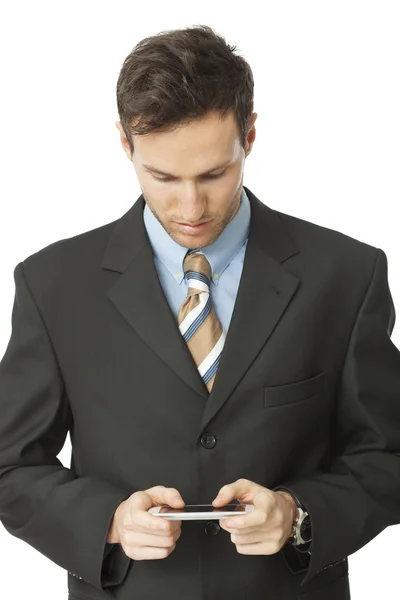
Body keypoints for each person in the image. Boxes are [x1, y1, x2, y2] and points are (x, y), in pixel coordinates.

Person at [0, 24, 399, 600]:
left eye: (214, 173)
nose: (191, 207)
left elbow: (387, 457)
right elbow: (11, 467)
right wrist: (108, 520)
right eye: (162, 177)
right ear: (124, 144)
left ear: (251, 136)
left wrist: (298, 514)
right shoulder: (52, 284)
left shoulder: (345, 274)